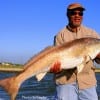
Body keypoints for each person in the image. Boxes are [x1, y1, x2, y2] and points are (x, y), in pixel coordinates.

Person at [52, 3, 100, 100]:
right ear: (67, 14)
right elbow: (57, 61)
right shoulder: (60, 36)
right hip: (65, 82)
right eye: (73, 13)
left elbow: (98, 61)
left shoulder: (92, 34)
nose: (77, 16)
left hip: (88, 82)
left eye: (80, 13)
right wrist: (55, 68)